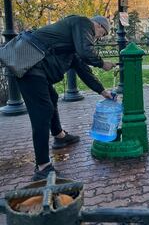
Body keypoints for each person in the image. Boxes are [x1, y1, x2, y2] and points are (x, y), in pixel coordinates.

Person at [15, 15, 117, 181]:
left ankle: (60, 137)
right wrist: (101, 63)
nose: (99, 38)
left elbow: (84, 71)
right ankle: (42, 167)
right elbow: (86, 52)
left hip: (37, 69)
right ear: (97, 25)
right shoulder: (82, 22)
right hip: (28, 65)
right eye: (102, 33)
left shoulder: (72, 48)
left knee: (52, 97)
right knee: (42, 112)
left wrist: (103, 92)